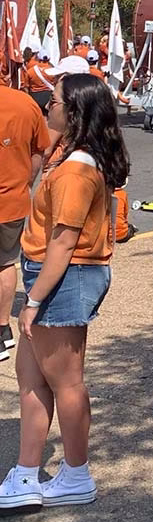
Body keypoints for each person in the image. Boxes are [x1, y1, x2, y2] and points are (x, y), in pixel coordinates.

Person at [0, 73, 129, 508]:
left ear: (72, 111)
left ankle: (76, 473)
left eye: (53, 102)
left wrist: (33, 301)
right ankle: (26, 471)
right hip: (56, 272)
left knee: (66, 381)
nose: (46, 107)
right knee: (32, 375)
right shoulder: (75, 156)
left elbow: (64, 239)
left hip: (65, 275)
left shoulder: (77, 167)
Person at [0, 77, 51, 367]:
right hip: (13, 199)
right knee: (5, 263)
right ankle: (3, 328)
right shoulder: (25, 103)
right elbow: (40, 149)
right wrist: (24, 182)